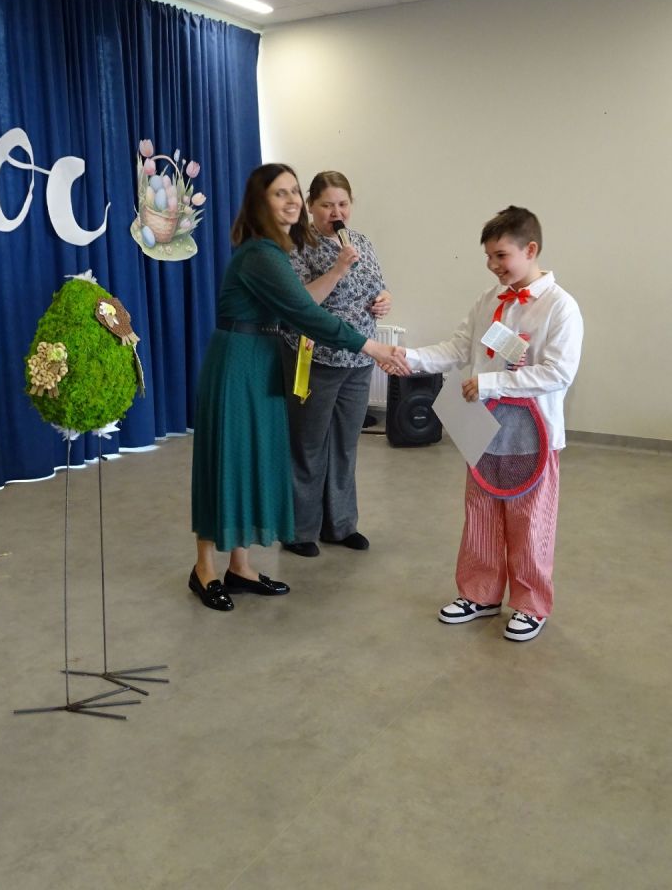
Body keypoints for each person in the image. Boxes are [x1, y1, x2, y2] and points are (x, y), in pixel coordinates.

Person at [189, 163, 408, 611]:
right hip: (239, 362)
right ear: (260, 202)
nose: (291, 200)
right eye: (280, 193)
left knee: (255, 460)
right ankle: (204, 569)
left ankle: (240, 567)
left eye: (293, 191)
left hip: (262, 359)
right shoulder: (262, 255)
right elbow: (307, 314)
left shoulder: (275, 249)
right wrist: (372, 347)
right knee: (228, 461)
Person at [395, 205, 583, 641]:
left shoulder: (560, 307)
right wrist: (409, 358)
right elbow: (458, 347)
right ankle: (479, 594)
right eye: (488, 257)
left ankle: (530, 604)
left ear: (530, 249)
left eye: (501, 256)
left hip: (532, 436)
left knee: (529, 521)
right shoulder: (488, 301)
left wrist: (491, 383)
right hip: (481, 430)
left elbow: (558, 372)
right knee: (480, 516)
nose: (493, 265)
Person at [280, 171, 392, 558]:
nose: (336, 212)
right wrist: (338, 268)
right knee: (309, 444)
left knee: (345, 444)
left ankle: (341, 525)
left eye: (343, 204)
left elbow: (377, 285)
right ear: (311, 206)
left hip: (358, 360)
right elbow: (301, 303)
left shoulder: (360, 241)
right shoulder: (296, 245)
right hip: (316, 358)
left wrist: (385, 300)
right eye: (327, 205)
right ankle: (299, 530)